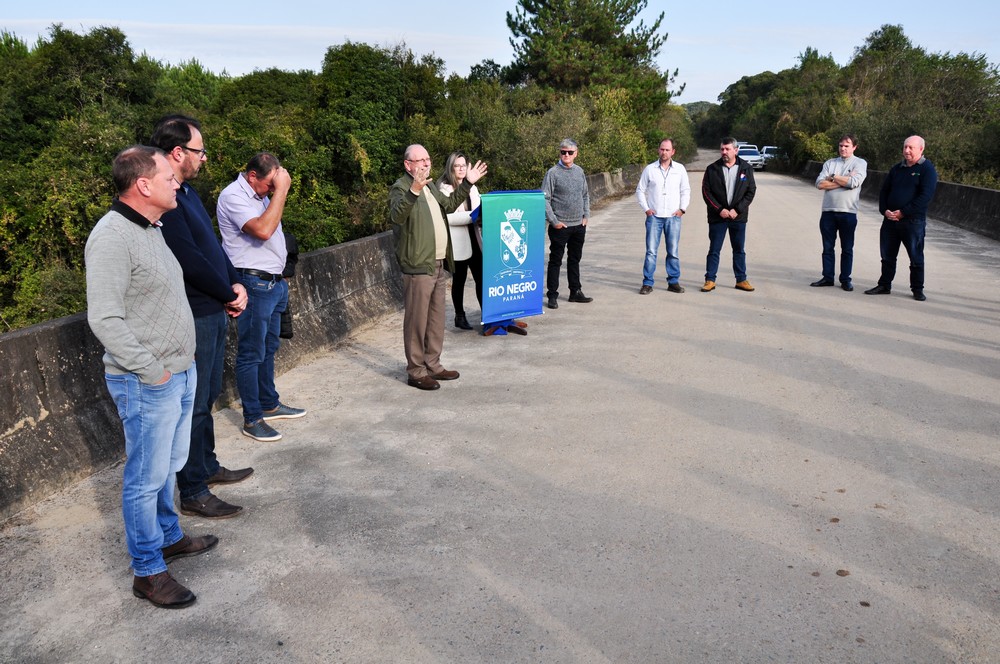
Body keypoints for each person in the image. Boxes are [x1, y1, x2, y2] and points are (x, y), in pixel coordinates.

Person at [86, 145, 218, 609]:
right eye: (168, 178)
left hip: (178, 371)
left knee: (166, 468)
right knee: (145, 478)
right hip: (147, 380)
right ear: (143, 185)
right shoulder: (111, 236)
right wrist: (152, 371)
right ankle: (147, 571)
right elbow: (105, 318)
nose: (176, 183)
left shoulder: (152, 228)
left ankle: (167, 536)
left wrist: (181, 361)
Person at [150, 115, 253, 519]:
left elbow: (212, 246)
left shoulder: (187, 193)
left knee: (207, 395)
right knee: (191, 404)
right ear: (178, 152)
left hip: (213, 307)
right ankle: (192, 490)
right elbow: (188, 259)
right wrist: (227, 292)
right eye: (199, 151)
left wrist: (234, 283)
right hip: (193, 312)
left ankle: (206, 466)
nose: (204, 158)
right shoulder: (167, 199)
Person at [217, 153, 306, 441]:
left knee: (268, 348)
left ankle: (269, 403)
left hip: (273, 283)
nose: (272, 190)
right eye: (269, 184)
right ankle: (252, 418)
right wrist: (282, 190)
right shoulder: (233, 196)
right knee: (251, 353)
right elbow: (263, 230)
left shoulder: (261, 195)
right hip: (252, 283)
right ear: (252, 176)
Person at [388, 144, 488, 390]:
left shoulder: (431, 186)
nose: (426, 163)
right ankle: (416, 371)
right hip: (418, 264)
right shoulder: (401, 187)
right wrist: (414, 190)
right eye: (420, 160)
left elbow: (450, 204)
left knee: (435, 318)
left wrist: (468, 183)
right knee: (416, 321)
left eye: (428, 159)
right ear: (407, 165)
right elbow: (397, 216)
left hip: (439, 262)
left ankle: (433, 364)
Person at [865, 135, 938, 301]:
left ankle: (917, 289)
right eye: (905, 147)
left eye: (911, 147)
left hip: (913, 222)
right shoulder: (897, 168)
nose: (907, 150)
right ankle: (884, 285)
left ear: (921, 149)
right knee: (887, 256)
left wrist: (904, 212)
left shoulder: (927, 169)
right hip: (890, 220)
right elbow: (884, 191)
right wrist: (884, 210)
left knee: (915, 256)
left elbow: (925, 196)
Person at [811, 134, 868, 291]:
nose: (843, 148)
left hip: (848, 212)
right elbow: (819, 184)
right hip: (828, 212)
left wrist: (833, 177)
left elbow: (855, 182)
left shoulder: (860, 163)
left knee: (847, 248)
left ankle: (845, 279)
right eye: (841, 145)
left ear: (854, 147)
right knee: (827, 247)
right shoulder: (830, 163)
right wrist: (843, 180)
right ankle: (827, 277)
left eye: (847, 146)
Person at [701, 137, 757, 292]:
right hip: (717, 217)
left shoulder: (746, 168)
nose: (724, 152)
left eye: (727, 149)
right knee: (714, 249)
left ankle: (741, 279)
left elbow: (751, 191)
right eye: (722, 149)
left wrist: (737, 210)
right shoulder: (712, 169)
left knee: (739, 250)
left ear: (736, 150)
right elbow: (706, 192)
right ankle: (710, 280)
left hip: (738, 217)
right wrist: (720, 209)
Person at [635, 138, 691, 294]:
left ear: (673, 152)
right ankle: (647, 283)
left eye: (667, 150)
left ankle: (673, 282)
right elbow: (640, 190)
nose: (664, 152)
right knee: (651, 252)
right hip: (654, 218)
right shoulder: (650, 169)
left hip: (673, 217)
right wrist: (646, 209)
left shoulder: (680, 169)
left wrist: (682, 209)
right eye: (662, 149)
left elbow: (685, 190)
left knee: (673, 251)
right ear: (658, 150)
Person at [542, 138, 592, 309]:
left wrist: (586, 215)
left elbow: (585, 195)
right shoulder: (552, 173)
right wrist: (554, 221)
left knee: (574, 260)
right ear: (560, 153)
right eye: (563, 152)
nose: (566, 155)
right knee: (555, 261)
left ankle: (575, 291)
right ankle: (552, 295)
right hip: (560, 226)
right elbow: (544, 199)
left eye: (570, 152)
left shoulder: (579, 171)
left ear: (576, 153)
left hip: (579, 225)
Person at [436, 152, 483, 330]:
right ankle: (460, 316)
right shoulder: (444, 189)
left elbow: (478, 207)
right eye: (457, 165)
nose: (461, 169)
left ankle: (486, 313)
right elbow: (447, 217)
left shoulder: (473, 187)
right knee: (460, 280)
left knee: (481, 278)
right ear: (451, 168)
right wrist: (473, 217)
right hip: (458, 242)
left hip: (475, 238)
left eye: (464, 165)